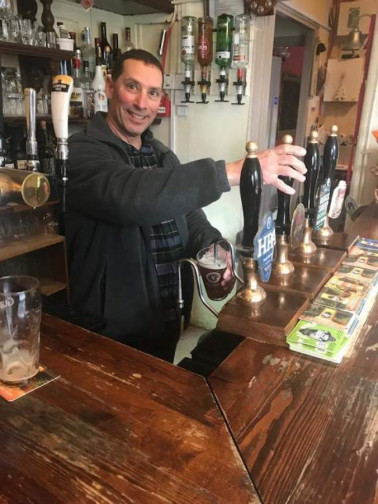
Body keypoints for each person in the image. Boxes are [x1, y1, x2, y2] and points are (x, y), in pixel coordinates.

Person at [66, 49, 307, 362]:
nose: (142, 103)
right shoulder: (80, 152)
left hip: (164, 316)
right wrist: (234, 171)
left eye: (153, 93)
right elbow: (131, 199)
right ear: (110, 87)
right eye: (132, 87)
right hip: (109, 329)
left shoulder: (162, 155)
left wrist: (213, 246)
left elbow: (190, 217)